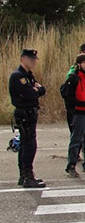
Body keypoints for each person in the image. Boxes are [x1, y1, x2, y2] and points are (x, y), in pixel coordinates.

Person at [9, 49, 46, 188]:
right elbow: (29, 93)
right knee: (29, 145)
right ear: (23, 59)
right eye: (30, 59)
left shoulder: (28, 75)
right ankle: (27, 176)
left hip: (30, 112)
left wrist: (37, 90)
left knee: (28, 144)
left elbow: (41, 90)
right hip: (24, 113)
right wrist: (36, 90)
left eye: (34, 59)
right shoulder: (18, 76)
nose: (33, 61)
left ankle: (24, 175)